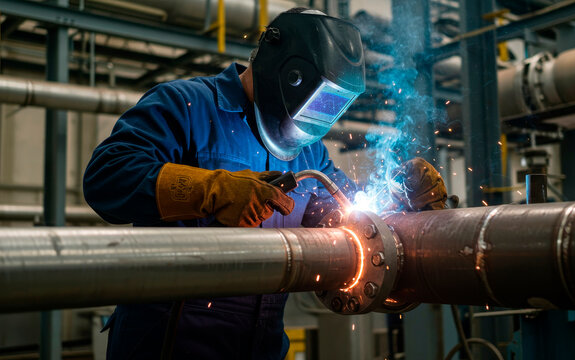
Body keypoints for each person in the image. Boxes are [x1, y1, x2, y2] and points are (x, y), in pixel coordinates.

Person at [83, 7, 447, 360]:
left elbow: (355, 218)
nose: (317, 115)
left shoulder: (310, 154)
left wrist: (407, 206)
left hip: (263, 346)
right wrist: (210, 189)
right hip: (168, 344)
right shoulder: (186, 105)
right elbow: (107, 176)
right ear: (287, 71)